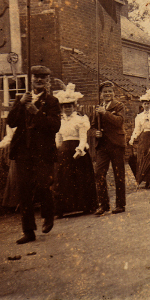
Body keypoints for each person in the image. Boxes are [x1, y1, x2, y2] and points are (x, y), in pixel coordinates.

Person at [7, 65, 61, 244]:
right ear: (31, 79)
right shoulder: (22, 99)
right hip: (23, 151)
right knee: (24, 191)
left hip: (42, 152)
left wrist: (36, 113)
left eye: (43, 78)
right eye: (36, 77)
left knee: (43, 185)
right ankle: (28, 231)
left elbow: (54, 126)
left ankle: (48, 215)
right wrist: (21, 104)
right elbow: (11, 122)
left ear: (47, 81)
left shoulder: (52, 102)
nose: (39, 80)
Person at [54, 84, 97, 217]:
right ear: (62, 107)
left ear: (74, 106)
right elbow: (58, 136)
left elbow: (83, 138)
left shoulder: (80, 120)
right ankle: (63, 209)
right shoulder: (60, 121)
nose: (67, 108)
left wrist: (79, 150)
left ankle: (85, 206)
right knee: (64, 179)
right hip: (64, 152)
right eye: (65, 106)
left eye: (70, 105)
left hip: (78, 152)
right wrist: (58, 148)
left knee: (81, 178)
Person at [92, 81, 127, 215]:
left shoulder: (119, 106)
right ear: (101, 95)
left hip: (116, 144)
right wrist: (95, 132)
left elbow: (119, 122)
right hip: (102, 146)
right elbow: (93, 126)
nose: (107, 94)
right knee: (99, 173)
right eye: (104, 92)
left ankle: (120, 204)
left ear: (113, 93)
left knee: (119, 174)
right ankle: (104, 205)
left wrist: (105, 113)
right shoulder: (98, 108)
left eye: (109, 91)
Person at [129, 89, 150, 188]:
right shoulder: (139, 117)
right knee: (143, 158)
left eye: (148, 103)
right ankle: (144, 180)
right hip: (144, 138)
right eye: (145, 103)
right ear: (142, 105)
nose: (146, 105)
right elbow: (137, 129)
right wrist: (133, 138)